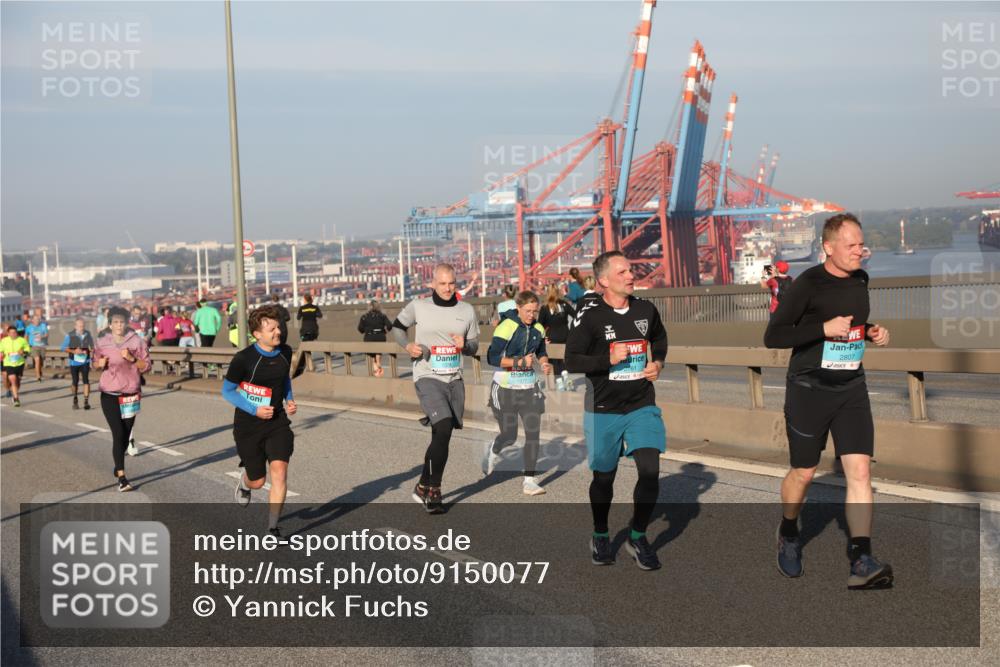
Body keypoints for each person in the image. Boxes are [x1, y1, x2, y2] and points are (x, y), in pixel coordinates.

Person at [764, 212, 893, 590]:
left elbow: (853, 326)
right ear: (828, 247)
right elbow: (774, 336)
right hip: (809, 389)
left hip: (851, 387)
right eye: (851, 246)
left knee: (861, 472)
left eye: (861, 244)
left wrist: (871, 332)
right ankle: (789, 531)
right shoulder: (807, 284)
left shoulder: (862, 280)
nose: (860, 252)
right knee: (804, 472)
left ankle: (861, 558)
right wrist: (822, 328)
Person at [565, 250, 668, 571]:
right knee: (604, 477)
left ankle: (637, 537)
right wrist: (605, 360)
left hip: (641, 404)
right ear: (604, 281)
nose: (631, 276)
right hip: (603, 408)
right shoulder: (592, 316)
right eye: (622, 272)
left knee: (650, 470)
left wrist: (658, 363)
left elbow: (660, 338)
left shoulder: (645, 309)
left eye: (631, 270)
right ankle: (600, 533)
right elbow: (571, 360)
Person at [392, 263, 480, 513]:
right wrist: (408, 347)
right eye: (442, 283)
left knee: (442, 435)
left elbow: (475, 345)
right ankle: (435, 490)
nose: (447, 288)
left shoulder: (467, 310)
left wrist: (466, 345)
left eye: (451, 283)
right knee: (442, 426)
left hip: (454, 379)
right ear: (432, 284)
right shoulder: (418, 306)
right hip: (427, 375)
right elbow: (397, 327)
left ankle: (422, 485)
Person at [222, 305, 297, 537]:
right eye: (272, 329)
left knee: (280, 471)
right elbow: (228, 391)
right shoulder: (244, 359)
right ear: (257, 334)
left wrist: (289, 400)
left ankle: (272, 527)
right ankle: (245, 483)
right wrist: (254, 410)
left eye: (278, 327)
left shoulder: (285, 352)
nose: (278, 332)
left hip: (277, 422)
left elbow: (284, 380)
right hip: (248, 426)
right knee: (258, 481)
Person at [483, 290, 553, 496]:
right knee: (510, 435)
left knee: (533, 434)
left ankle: (529, 481)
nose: (532, 315)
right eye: (528, 311)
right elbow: (493, 358)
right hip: (505, 388)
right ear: (519, 309)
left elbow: (540, 350)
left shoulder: (538, 328)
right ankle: (494, 450)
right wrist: (519, 362)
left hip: (529, 387)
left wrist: (544, 362)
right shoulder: (507, 326)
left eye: (535, 311)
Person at [93, 306, 150, 492]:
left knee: (125, 437)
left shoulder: (137, 342)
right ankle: (123, 478)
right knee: (118, 434)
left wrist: (132, 358)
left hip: (131, 394)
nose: (119, 325)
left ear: (127, 323)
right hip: (109, 394)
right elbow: (94, 362)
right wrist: (98, 364)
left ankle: (117, 466)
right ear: (110, 324)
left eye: (122, 322)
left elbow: (147, 367)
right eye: (115, 322)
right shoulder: (102, 342)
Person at [538, 283, 574, 386]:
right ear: (558, 292)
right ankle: (565, 378)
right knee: (563, 359)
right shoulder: (564, 304)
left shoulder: (544, 308)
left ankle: (559, 382)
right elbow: (576, 316)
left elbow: (540, 326)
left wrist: (543, 339)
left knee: (553, 361)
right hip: (565, 336)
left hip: (551, 338)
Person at [60, 318, 94, 410]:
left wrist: (91, 355)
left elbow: (92, 346)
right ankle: (75, 397)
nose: (81, 328)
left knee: (86, 381)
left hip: (85, 361)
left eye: (83, 326)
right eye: (79, 326)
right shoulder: (70, 335)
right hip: (74, 362)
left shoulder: (88, 334)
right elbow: (63, 348)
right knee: (75, 382)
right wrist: (74, 351)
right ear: (75, 326)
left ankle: (86, 401)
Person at [358, 300, 393, 377]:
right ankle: (378, 362)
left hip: (369, 337)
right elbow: (390, 326)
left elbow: (360, 329)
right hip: (380, 336)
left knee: (370, 354)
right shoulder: (382, 316)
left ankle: (375, 365)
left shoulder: (364, 317)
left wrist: (366, 330)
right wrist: (385, 331)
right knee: (378, 351)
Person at [1, 325, 31, 407]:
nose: (13, 334)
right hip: (9, 363)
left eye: (14, 332)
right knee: (13, 379)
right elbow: (1, 350)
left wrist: (23, 352)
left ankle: (14, 392)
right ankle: (16, 398)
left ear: (16, 333)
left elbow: (28, 350)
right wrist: (1, 354)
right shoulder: (4, 341)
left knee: (18, 381)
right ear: (8, 333)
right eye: (11, 333)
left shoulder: (22, 340)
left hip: (20, 363)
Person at [24, 313, 49, 382]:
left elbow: (47, 334)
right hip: (33, 346)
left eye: (38, 319)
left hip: (42, 346)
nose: (37, 320)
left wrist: (42, 336)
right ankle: (38, 376)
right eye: (35, 319)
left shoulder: (43, 326)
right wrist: (26, 344)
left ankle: (39, 371)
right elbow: (26, 336)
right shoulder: (29, 327)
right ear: (32, 320)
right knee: (37, 359)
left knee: (41, 361)